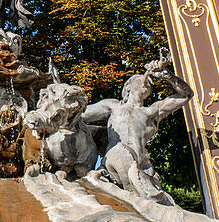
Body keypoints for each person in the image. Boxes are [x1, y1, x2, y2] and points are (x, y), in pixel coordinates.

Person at [82, 50, 192, 203]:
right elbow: (80, 114)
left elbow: (186, 96)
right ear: (127, 88)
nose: (145, 82)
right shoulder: (114, 106)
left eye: (149, 83)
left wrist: (167, 75)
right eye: (139, 80)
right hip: (114, 162)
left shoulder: (152, 111)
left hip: (142, 167)